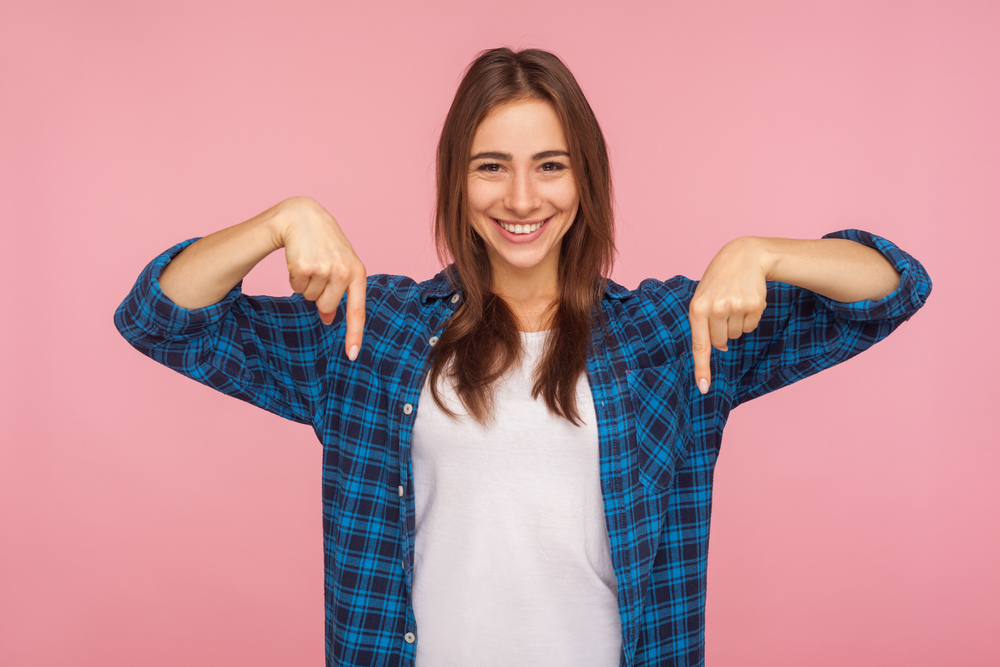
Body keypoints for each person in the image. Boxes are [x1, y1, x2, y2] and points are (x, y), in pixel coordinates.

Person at [115, 47, 931, 667]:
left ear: (584, 181)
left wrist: (764, 252)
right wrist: (278, 220)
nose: (520, 199)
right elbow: (160, 317)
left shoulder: (668, 335)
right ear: (457, 184)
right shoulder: (374, 331)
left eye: (549, 166)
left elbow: (892, 288)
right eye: (490, 168)